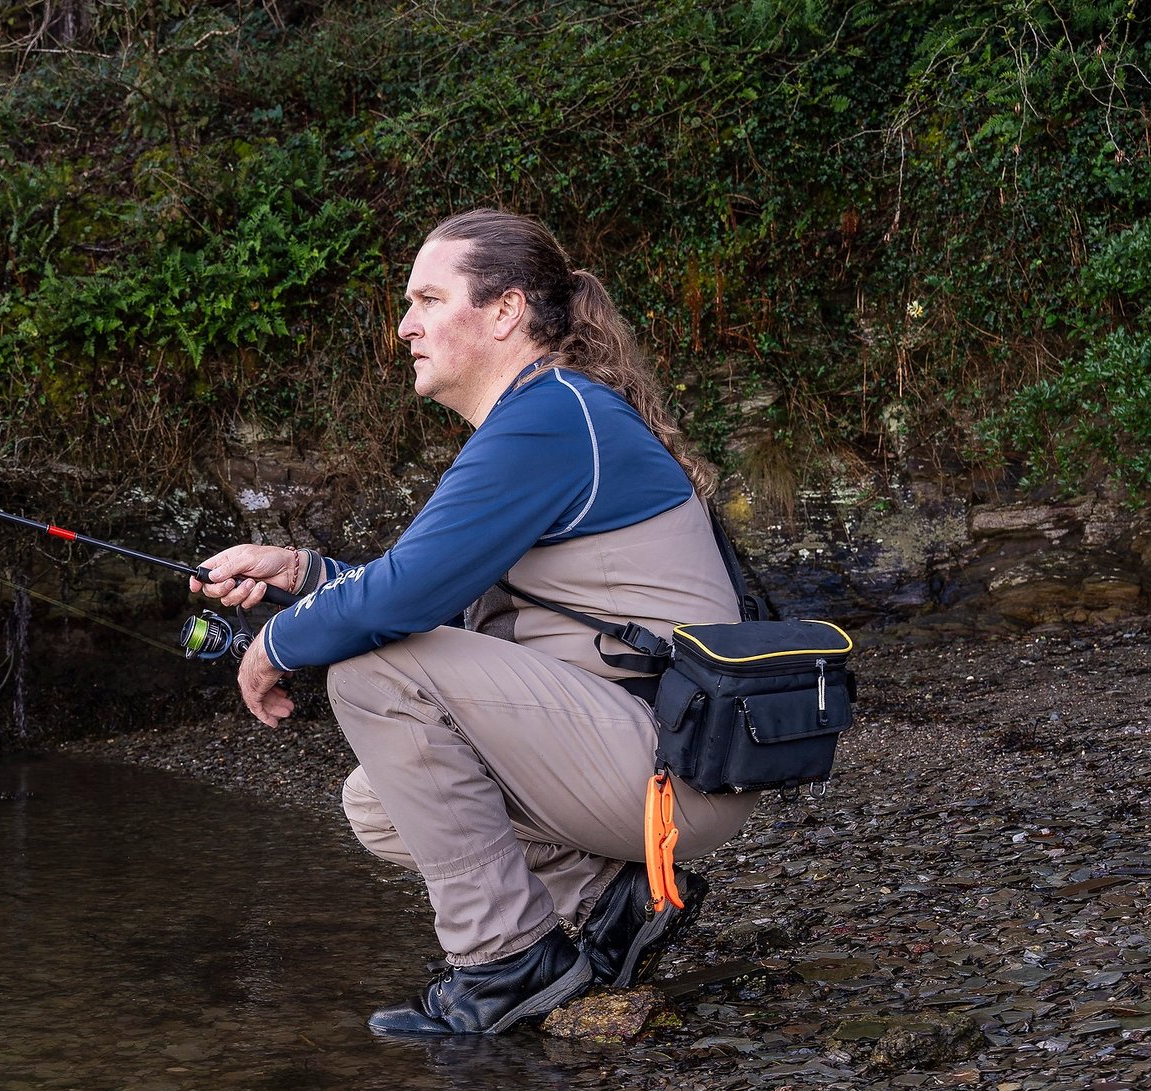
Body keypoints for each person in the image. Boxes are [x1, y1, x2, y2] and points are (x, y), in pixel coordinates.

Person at [194, 208, 754, 1037]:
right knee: (380, 801)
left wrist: (277, 641)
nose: (404, 325)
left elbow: (403, 603)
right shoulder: (550, 413)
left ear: (504, 312)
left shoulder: (551, 417)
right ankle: (613, 900)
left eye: (427, 299)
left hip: (669, 774)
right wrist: (303, 574)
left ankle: (505, 960)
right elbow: (433, 594)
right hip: (655, 763)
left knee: (373, 672)